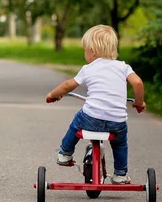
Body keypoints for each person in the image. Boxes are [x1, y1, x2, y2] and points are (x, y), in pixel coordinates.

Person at [46, 25, 145, 184]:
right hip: (116, 121)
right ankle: (120, 174)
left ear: (92, 51)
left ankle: (65, 153)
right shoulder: (123, 67)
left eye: (85, 50)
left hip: (92, 118)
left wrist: (53, 95)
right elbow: (138, 83)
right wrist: (139, 103)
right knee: (120, 144)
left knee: (76, 122)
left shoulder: (88, 69)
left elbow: (67, 85)